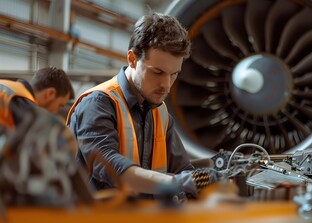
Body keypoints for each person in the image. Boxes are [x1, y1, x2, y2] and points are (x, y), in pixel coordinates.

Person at [66, 12, 218, 199]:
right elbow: (111, 167)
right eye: (157, 72)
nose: (166, 85)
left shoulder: (159, 113)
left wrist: (209, 185)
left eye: (173, 74)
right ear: (132, 59)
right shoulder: (97, 104)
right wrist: (176, 183)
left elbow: (184, 171)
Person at [0, 67, 75, 128]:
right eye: (59, 105)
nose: (56, 111)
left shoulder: (8, 86)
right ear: (50, 93)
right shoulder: (23, 105)